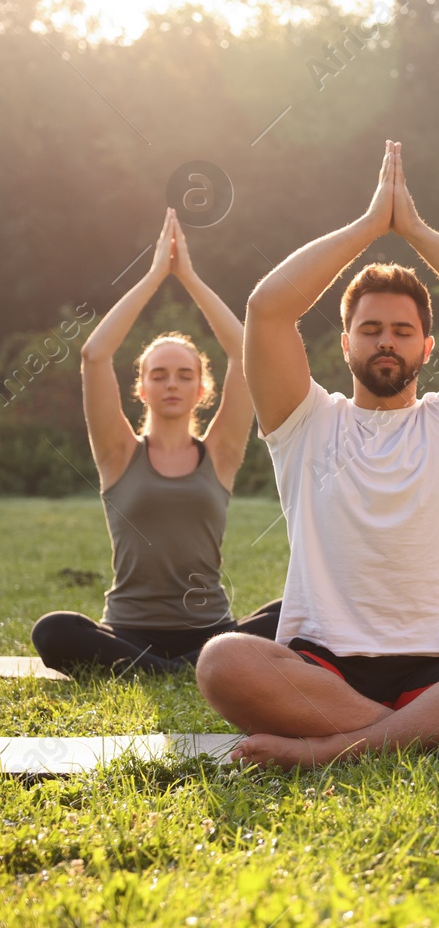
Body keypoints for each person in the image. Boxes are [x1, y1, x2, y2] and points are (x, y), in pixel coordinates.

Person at [195, 141, 439, 767]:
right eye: (370, 329)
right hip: (322, 668)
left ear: (428, 347)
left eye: (402, 331)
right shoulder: (303, 421)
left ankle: (337, 751)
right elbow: (267, 309)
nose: (386, 343)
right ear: (345, 342)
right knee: (222, 661)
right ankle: (422, 735)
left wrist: (417, 231)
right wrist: (370, 227)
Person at [31, 210, 279, 677]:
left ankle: (165, 667)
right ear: (140, 388)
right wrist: (152, 277)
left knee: (297, 611)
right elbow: (94, 354)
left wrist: (187, 277)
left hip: (211, 628)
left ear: (203, 389)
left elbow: (244, 350)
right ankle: (184, 669)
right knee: (53, 630)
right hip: (127, 631)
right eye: (158, 375)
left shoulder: (220, 454)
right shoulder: (118, 454)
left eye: (185, 375)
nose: (171, 384)